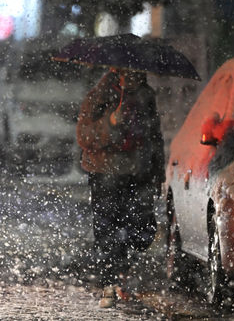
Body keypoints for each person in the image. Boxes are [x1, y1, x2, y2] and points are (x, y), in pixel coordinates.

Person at [76, 67, 165, 308]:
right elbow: (84, 135)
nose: (134, 76)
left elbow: (155, 136)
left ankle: (121, 271)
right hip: (106, 173)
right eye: (129, 72)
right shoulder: (99, 96)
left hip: (139, 172)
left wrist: (158, 171)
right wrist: (111, 123)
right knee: (108, 231)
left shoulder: (146, 97)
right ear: (117, 72)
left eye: (138, 72)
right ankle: (110, 283)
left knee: (142, 231)